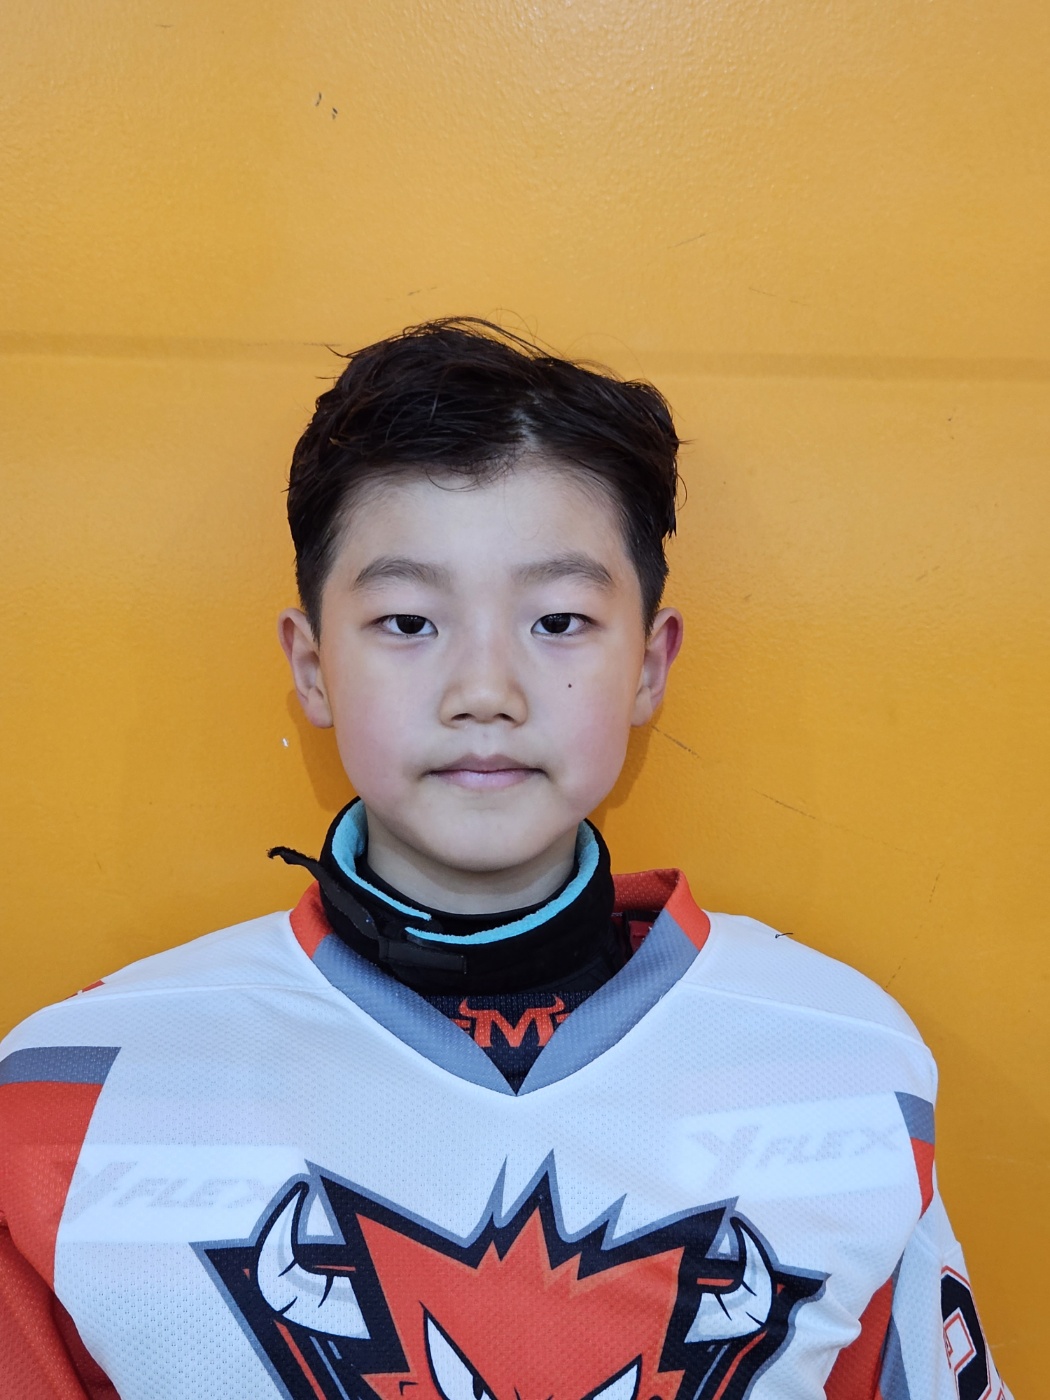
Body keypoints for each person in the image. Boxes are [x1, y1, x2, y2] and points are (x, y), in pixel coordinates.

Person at [0, 319, 1008, 1400]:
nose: (486, 690)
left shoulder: (841, 1059)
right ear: (312, 665)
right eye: (407, 621)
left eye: (559, 620)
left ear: (650, 664)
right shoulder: (75, 1089)